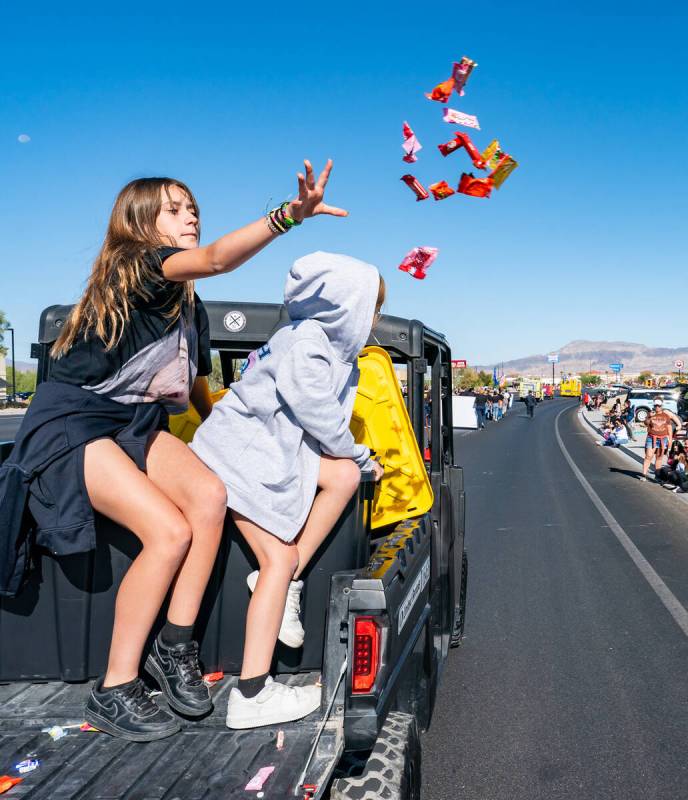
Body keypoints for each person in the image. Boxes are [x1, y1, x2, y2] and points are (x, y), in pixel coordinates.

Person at [0, 160, 346, 742]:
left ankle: (175, 646)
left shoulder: (189, 306)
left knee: (210, 495)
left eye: (193, 210)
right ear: (140, 222)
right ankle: (114, 687)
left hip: (134, 424)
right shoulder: (134, 267)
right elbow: (214, 259)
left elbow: (198, 391)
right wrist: (291, 214)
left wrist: (237, 436)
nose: (190, 216)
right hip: (73, 424)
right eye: (175, 209)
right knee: (169, 532)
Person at [190, 252, 385, 729]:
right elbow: (319, 416)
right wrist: (360, 454)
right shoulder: (307, 347)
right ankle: (252, 694)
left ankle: (286, 581)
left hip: (261, 452)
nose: (373, 319)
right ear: (346, 306)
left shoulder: (319, 346)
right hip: (236, 460)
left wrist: (351, 463)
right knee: (275, 557)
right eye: (371, 308)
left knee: (340, 478)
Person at [640, 398, 683, 481]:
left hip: (663, 439)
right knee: (648, 456)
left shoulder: (666, 414)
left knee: (659, 457)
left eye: (658, 405)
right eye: (655, 405)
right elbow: (645, 423)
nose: (657, 407)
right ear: (653, 405)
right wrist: (649, 417)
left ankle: (657, 475)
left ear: (661, 405)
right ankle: (644, 475)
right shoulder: (651, 413)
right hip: (651, 437)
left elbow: (669, 427)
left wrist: (671, 439)